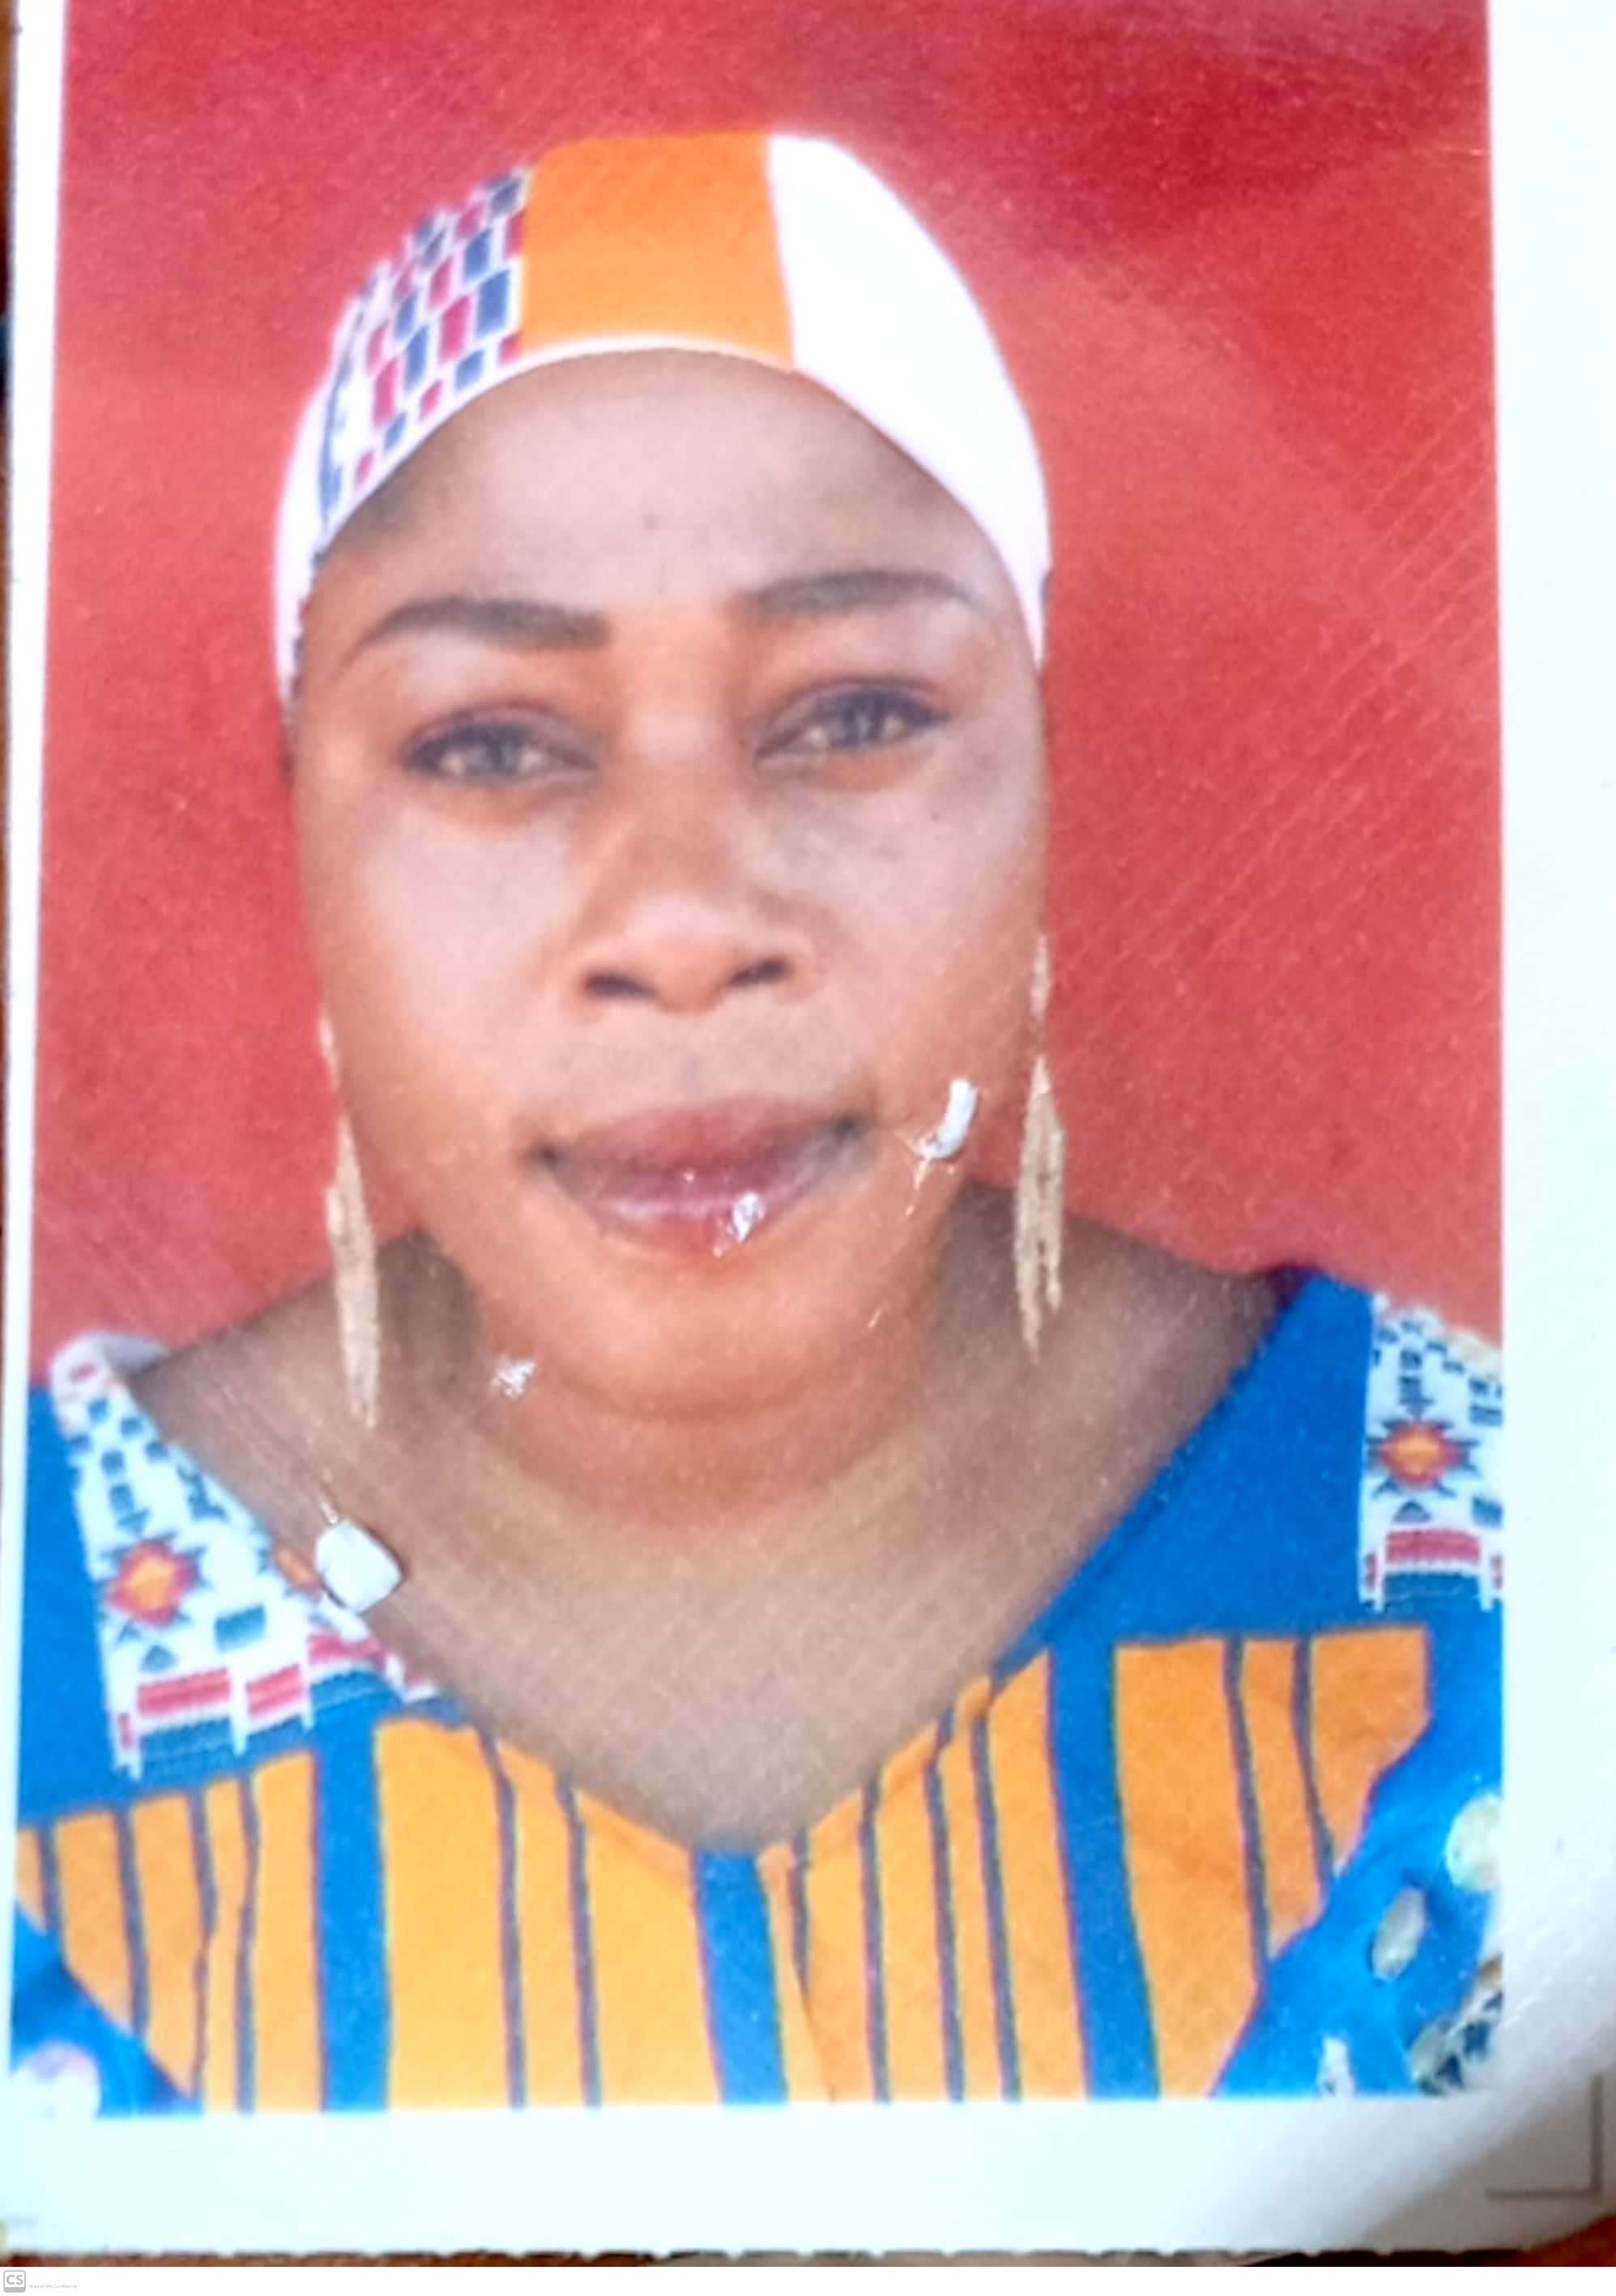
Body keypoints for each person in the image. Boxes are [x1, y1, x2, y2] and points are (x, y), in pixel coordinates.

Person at [11, 131, 1502, 2115]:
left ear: (1039, 756)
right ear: (301, 827)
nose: (685, 922)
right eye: (488, 743)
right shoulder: (38, 1632)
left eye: (853, 713)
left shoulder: (1502, 1576)